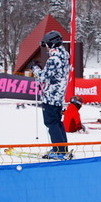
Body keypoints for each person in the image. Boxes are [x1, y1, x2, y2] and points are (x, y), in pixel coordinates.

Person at [31, 31, 71, 159]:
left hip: (51, 95)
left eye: (47, 44)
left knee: (51, 123)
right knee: (57, 122)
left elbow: (42, 77)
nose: (46, 47)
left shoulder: (54, 59)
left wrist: (34, 68)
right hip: (58, 95)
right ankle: (62, 149)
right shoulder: (63, 55)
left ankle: (59, 151)